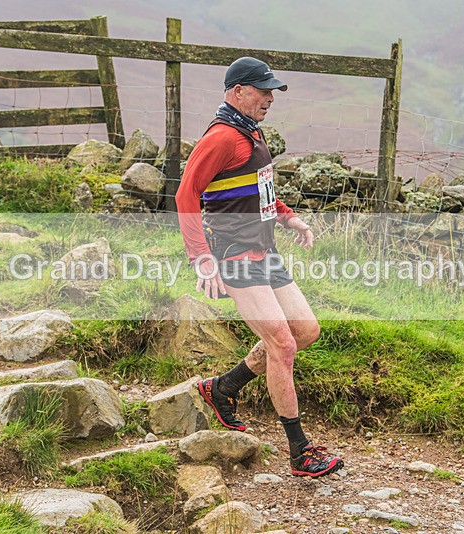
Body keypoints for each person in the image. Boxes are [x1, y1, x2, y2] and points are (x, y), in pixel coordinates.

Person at [175, 57, 343, 477]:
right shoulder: (221, 137)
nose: (270, 97)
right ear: (237, 92)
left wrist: (287, 216)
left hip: (264, 251)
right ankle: (300, 452)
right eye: (263, 90)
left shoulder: (250, 130)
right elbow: (185, 195)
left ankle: (223, 388)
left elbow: (259, 185)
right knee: (283, 346)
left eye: (272, 91)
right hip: (232, 254)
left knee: (305, 331)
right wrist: (202, 259)